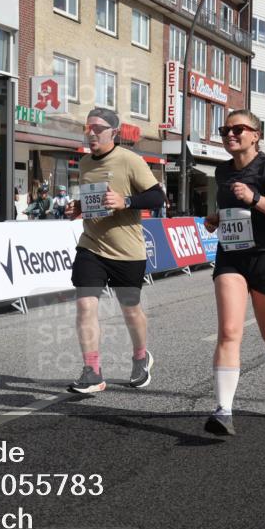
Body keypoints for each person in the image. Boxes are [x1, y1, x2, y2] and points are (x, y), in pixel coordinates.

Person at [201, 109, 265, 435]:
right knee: (229, 331)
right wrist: (217, 218)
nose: (230, 134)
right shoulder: (222, 171)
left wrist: (256, 197)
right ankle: (223, 410)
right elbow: (234, 210)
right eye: (225, 129)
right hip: (231, 256)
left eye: (238, 129)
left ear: (255, 135)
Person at [64, 107, 165, 394]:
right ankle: (92, 371)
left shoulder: (130, 160)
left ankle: (141, 356)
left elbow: (158, 197)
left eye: (98, 128)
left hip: (127, 251)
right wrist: (79, 208)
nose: (91, 132)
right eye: (88, 128)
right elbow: (94, 200)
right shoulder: (84, 163)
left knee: (130, 311)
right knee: (85, 305)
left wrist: (127, 201)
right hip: (91, 246)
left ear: (114, 132)